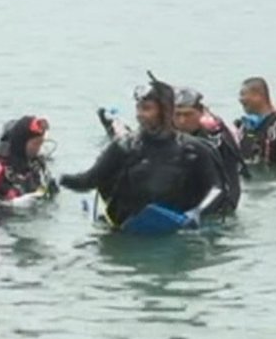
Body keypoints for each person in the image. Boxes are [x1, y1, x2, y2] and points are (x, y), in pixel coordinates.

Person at [59, 75, 225, 229]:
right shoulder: (124, 147)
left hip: (176, 231)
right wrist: (62, 179)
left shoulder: (193, 150)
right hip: (126, 232)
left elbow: (216, 189)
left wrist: (197, 213)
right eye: (138, 108)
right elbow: (89, 180)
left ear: (165, 111)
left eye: (146, 109)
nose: (139, 115)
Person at [172, 87, 245, 216]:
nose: (182, 120)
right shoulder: (168, 136)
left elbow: (231, 180)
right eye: (177, 114)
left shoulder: (217, 139)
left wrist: (226, 209)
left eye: (188, 114)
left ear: (200, 113)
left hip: (215, 206)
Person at [0, 115, 58, 203]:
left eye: (40, 143)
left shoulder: (36, 165)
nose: (38, 149)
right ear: (21, 143)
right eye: (35, 144)